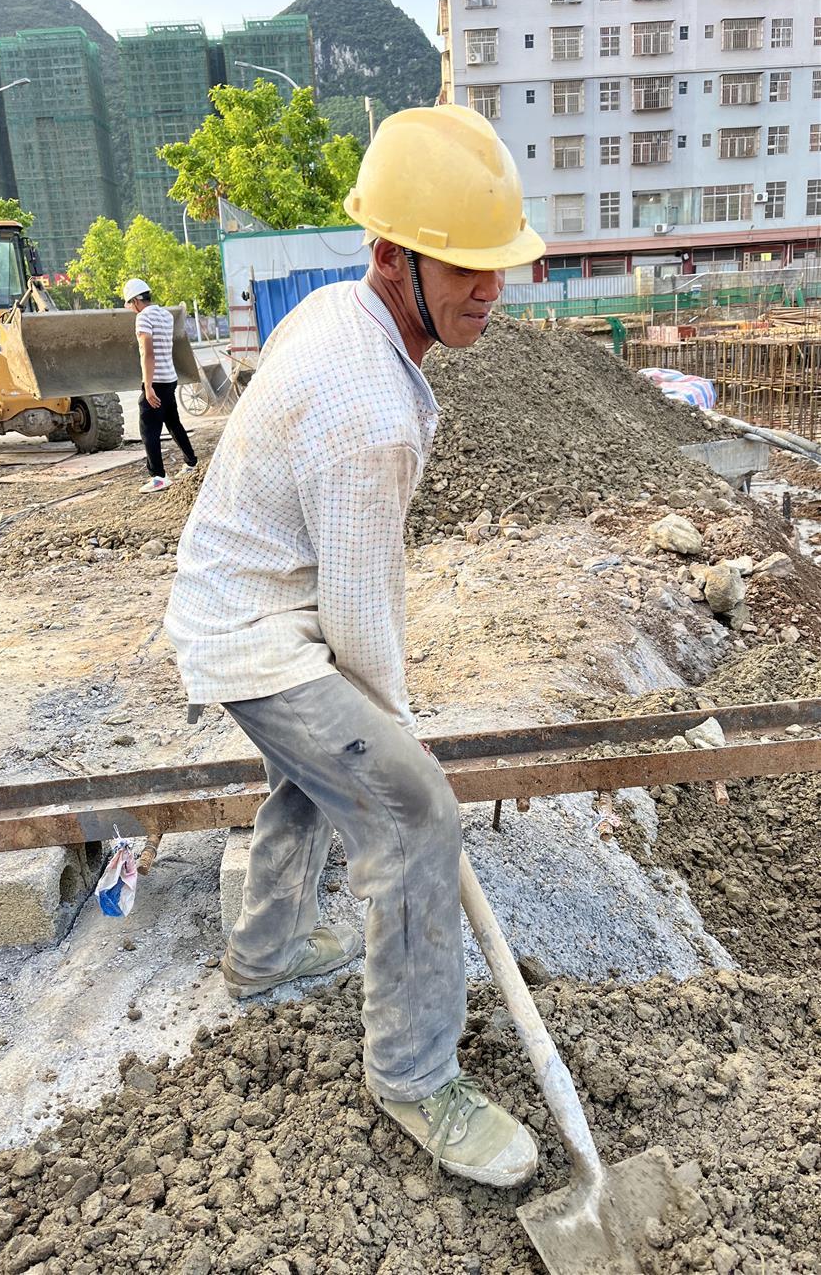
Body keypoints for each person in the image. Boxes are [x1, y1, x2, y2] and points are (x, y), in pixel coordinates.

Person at [164, 105, 546, 1186]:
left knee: (313, 773)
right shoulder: (366, 410)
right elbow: (361, 616)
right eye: (464, 266)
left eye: (497, 263)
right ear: (390, 256)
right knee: (413, 813)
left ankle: (268, 952)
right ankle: (415, 1075)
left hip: (243, 598)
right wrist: (400, 748)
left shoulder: (339, 311)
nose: (490, 288)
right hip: (257, 631)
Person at [123, 278, 198, 495]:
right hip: (170, 377)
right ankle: (191, 463)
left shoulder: (143, 318)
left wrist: (148, 387)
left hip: (156, 381)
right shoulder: (165, 315)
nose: (131, 309)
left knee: (148, 429)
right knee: (173, 422)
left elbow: (147, 353)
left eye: (130, 304)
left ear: (136, 301)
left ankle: (158, 476)